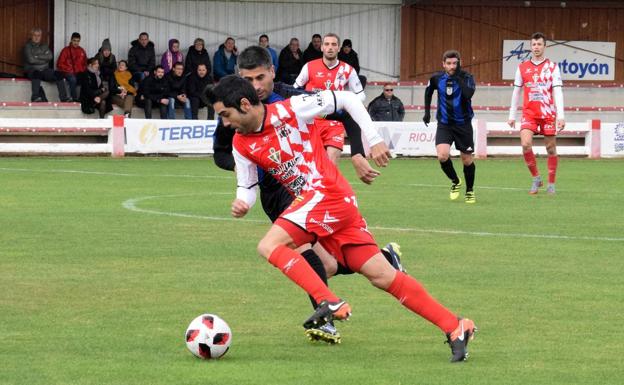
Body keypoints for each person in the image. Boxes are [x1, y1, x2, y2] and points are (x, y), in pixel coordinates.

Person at [209, 75, 477, 362]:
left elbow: (348, 99)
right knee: (382, 276)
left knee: (268, 246)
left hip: (326, 192)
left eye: (226, 115)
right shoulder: (240, 143)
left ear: (245, 104)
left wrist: (373, 139)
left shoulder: (292, 109)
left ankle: (328, 300)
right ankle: (455, 326)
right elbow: (248, 187)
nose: (225, 123)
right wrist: (242, 203)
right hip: (330, 204)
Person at [212, 46, 405, 344]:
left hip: (308, 185)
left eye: (260, 77)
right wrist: (249, 175)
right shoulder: (233, 109)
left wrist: (357, 151)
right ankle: (381, 260)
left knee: (298, 253)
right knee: (324, 263)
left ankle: (325, 316)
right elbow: (222, 153)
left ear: (272, 72)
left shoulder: (292, 98)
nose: (255, 86)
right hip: (273, 193)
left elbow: (345, 110)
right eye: (248, 79)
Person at [508, 32, 565, 195]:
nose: (536, 47)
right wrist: (512, 115)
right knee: (525, 144)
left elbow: (558, 92)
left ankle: (551, 184)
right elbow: (516, 92)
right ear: (530, 47)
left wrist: (561, 115)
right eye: (534, 44)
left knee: (551, 148)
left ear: (544, 46)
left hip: (547, 114)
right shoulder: (522, 67)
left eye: (539, 44)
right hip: (529, 114)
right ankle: (536, 178)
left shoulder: (552, 68)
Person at [295, 33, 365, 164]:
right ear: (321, 47)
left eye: (334, 44)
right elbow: (295, 90)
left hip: (334, 122)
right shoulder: (309, 67)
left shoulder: (348, 70)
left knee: (331, 164)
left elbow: (361, 95)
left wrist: (346, 106)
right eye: (326, 44)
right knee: (311, 165)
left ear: (339, 48)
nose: (330, 47)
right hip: (312, 121)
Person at [423, 50, 477, 204]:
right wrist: (426, 113)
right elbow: (428, 92)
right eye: (449, 63)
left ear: (459, 63)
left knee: (467, 160)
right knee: (442, 156)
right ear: (443, 64)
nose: (452, 66)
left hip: (463, 125)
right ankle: (455, 181)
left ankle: (470, 190)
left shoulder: (467, 78)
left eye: (455, 63)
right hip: (445, 124)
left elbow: (468, 95)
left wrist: (457, 76)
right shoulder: (436, 78)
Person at [23, 27, 69, 102]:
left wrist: (37, 56)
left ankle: (64, 98)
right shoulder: (27, 46)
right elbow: (31, 60)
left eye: (39, 35)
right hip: (31, 70)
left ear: (41, 36)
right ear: (31, 36)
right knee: (36, 73)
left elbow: (50, 56)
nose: (37, 37)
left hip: (44, 70)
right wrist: (44, 60)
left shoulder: (44, 46)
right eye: (35, 35)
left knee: (59, 74)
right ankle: (35, 97)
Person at [56, 32, 87, 102]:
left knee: (86, 79)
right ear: (71, 40)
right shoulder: (65, 50)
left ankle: (84, 98)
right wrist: (69, 69)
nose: (76, 43)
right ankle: (74, 98)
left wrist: (82, 70)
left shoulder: (82, 51)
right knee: (73, 79)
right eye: (74, 40)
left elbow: (85, 63)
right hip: (68, 72)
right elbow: (59, 64)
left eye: (78, 41)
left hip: (79, 72)